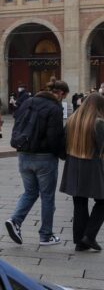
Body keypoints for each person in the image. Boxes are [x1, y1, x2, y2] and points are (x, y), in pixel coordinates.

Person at [5, 77, 68, 247]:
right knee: (47, 197)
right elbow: (54, 137)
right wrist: (63, 154)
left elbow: (16, 124)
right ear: (60, 93)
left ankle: (15, 221)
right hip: (44, 158)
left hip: (24, 155)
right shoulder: (54, 107)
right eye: (64, 96)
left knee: (30, 192)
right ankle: (46, 235)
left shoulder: (28, 101)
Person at [60, 93, 104, 252]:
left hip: (73, 164)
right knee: (102, 202)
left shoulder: (72, 120)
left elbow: (62, 143)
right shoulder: (98, 123)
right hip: (92, 165)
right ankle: (89, 236)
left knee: (79, 202)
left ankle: (80, 241)